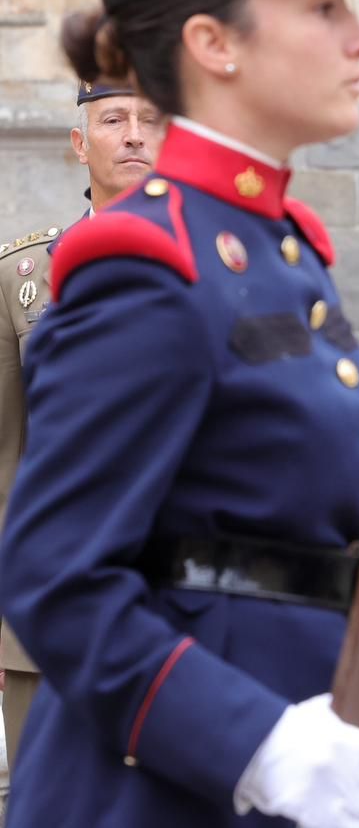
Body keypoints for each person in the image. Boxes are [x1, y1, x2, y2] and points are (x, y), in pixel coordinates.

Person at [0, 0, 359, 826]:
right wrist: (252, 745)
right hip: (179, 783)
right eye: (322, 7)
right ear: (212, 43)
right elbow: (57, 577)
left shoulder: (280, 245)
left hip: (313, 746)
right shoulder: (147, 262)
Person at [0, 79, 164, 767]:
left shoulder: (228, 264)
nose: (133, 134)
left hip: (176, 598)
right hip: (48, 600)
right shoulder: (23, 276)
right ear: (78, 143)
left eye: (151, 119)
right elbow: (5, 452)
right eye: (113, 119)